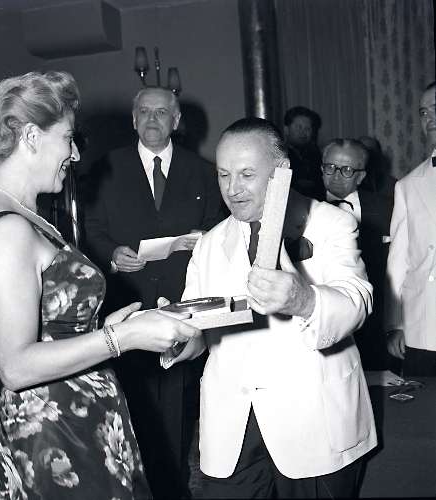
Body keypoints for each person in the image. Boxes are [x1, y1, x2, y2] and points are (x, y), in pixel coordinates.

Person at [0, 71, 201, 500]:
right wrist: (122, 338)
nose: (75, 154)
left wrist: (110, 326)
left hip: (64, 414)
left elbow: (45, 322)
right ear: (31, 137)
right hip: (53, 433)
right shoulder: (8, 229)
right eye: (67, 138)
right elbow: (16, 367)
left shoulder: (15, 211)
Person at [171, 118, 377, 499]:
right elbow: (199, 332)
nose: (233, 189)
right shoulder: (208, 244)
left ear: (281, 171)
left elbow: (357, 301)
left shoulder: (332, 223)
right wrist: (179, 338)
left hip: (314, 423)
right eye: (223, 175)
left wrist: (303, 299)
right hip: (231, 431)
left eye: (247, 175)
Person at [83, 86, 225, 498]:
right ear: (133, 120)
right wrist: (112, 254)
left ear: (176, 121)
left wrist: (203, 239)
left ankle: (175, 487)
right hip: (128, 306)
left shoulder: (202, 171)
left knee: (178, 409)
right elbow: (91, 229)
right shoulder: (107, 168)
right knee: (133, 407)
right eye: (144, 111)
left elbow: (219, 227)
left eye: (161, 112)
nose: (151, 119)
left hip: (183, 304)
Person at [321, 138, 393, 369]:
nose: (336, 175)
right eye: (330, 167)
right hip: (324, 319)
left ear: (361, 176)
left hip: (374, 321)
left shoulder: (386, 209)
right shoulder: (303, 205)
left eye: (347, 170)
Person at [384, 81, 436, 376]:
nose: (429, 118)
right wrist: (396, 324)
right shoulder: (407, 186)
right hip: (423, 325)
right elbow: (398, 262)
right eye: (423, 112)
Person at [284, 105, 325, 200]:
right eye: (299, 127)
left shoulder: (317, 155)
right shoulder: (278, 155)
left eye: (307, 128)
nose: (303, 133)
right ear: (286, 130)